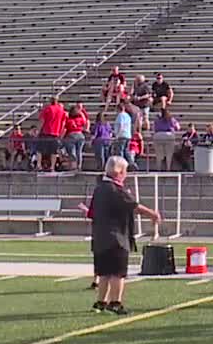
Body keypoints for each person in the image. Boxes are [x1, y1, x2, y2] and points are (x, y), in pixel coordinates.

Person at [91, 156, 162, 315]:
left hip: (100, 236)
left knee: (104, 272)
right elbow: (134, 206)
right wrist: (153, 214)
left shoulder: (99, 188)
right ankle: (115, 302)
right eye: (125, 171)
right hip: (116, 236)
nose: (126, 174)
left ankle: (101, 302)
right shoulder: (115, 189)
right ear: (119, 172)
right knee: (117, 272)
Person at [37, 96, 67, 173]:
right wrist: (60, 133)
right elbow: (63, 123)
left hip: (46, 132)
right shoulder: (61, 110)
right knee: (53, 151)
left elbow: (42, 120)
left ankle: (39, 165)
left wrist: (38, 130)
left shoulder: (47, 109)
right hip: (55, 133)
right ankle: (52, 167)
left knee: (40, 150)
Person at [63, 103, 88, 169]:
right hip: (80, 135)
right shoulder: (80, 119)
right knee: (79, 152)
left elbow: (65, 128)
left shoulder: (69, 120)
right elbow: (85, 121)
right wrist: (81, 113)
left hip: (71, 135)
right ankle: (79, 165)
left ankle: (73, 165)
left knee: (72, 152)